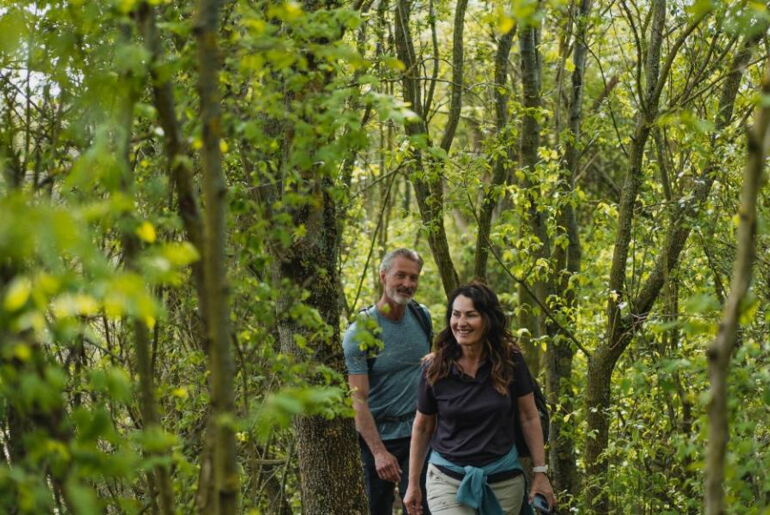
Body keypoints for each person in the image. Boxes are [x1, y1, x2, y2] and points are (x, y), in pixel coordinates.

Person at [403, 282, 556, 515]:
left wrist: (540, 472)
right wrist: (412, 484)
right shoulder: (434, 368)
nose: (461, 323)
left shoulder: (510, 361)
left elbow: (529, 416)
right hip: (447, 479)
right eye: (456, 314)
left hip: (503, 480)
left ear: (488, 320)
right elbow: (422, 427)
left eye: (471, 315)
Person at [343, 248, 433, 514]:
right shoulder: (361, 331)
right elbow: (357, 399)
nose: (407, 283)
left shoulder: (422, 316)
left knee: (420, 508)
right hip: (376, 438)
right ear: (383, 276)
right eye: (400, 275)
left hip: (418, 434)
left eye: (413, 277)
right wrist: (379, 452)